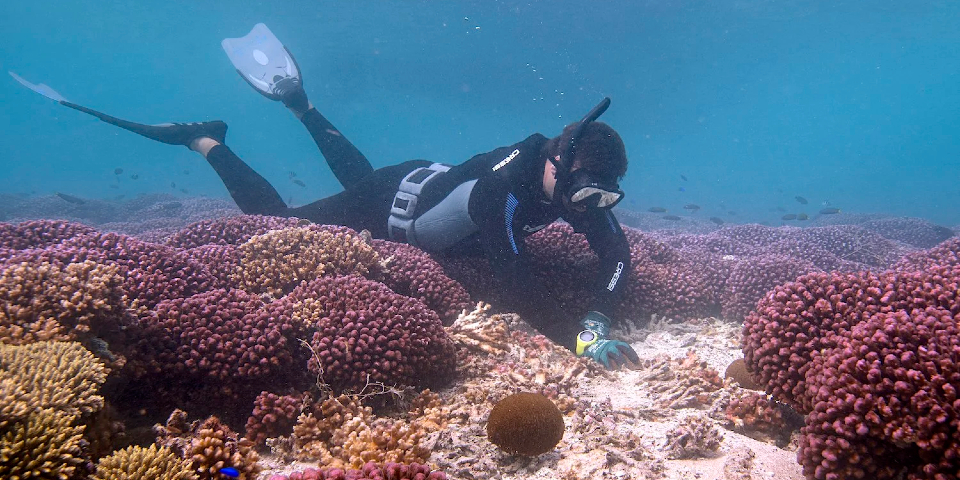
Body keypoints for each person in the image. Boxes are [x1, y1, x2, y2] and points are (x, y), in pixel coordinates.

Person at [10, 23, 640, 370]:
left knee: (360, 178)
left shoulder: (569, 185)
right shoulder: (501, 191)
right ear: (555, 161)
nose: (585, 210)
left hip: (415, 181)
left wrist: (599, 312)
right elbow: (515, 281)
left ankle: (301, 104)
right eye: (583, 194)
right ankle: (206, 140)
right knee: (274, 224)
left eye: (601, 199)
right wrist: (578, 339)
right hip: (395, 207)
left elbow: (616, 258)